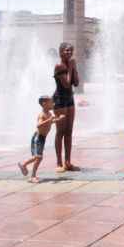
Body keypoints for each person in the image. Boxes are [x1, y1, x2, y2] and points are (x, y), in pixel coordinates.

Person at [18, 95, 64, 183]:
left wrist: (58, 119)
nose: (53, 104)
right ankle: (32, 175)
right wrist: (49, 119)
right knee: (38, 157)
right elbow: (39, 125)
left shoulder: (49, 114)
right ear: (44, 104)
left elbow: (50, 122)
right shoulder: (42, 115)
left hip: (42, 138)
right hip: (38, 138)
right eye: (51, 102)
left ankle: (25, 166)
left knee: (37, 157)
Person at [53, 42, 80, 172]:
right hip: (59, 101)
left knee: (69, 132)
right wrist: (70, 67)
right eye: (66, 50)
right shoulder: (59, 66)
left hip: (70, 100)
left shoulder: (70, 65)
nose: (69, 53)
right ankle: (59, 162)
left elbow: (76, 83)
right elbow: (66, 84)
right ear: (61, 52)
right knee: (60, 132)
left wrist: (74, 68)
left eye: (71, 51)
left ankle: (68, 162)